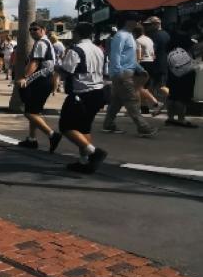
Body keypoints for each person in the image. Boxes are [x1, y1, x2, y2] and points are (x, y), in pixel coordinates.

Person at [55, 23, 108, 174]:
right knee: (84, 127)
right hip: (98, 91)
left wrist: (56, 67)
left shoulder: (76, 50)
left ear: (77, 33)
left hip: (81, 92)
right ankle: (84, 162)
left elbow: (67, 71)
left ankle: (93, 152)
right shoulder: (99, 50)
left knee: (66, 126)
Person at [102, 13, 157, 137]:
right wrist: (118, 73)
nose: (139, 23)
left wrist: (139, 68)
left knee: (116, 101)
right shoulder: (121, 36)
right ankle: (144, 127)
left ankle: (108, 124)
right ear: (128, 21)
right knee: (131, 100)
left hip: (125, 72)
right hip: (123, 73)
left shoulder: (129, 36)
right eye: (136, 20)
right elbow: (115, 55)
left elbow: (129, 57)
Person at [16, 21, 63, 151]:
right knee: (34, 111)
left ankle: (52, 135)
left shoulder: (41, 43)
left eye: (35, 29)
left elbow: (35, 62)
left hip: (40, 81)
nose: (32, 32)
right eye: (30, 30)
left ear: (43, 30)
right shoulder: (45, 42)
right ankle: (32, 139)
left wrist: (24, 77)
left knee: (29, 113)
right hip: (44, 80)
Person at [164, 21, 198, 128]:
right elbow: (194, 53)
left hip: (173, 69)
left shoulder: (172, 38)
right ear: (191, 30)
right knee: (182, 96)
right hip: (185, 71)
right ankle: (181, 119)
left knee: (173, 95)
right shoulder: (187, 40)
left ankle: (170, 118)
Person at [144, 16, 171, 113]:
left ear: (156, 24)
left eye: (149, 25)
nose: (147, 27)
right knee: (159, 86)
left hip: (155, 64)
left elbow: (152, 50)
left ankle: (171, 100)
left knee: (155, 86)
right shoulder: (166, 34)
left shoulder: (155, 36)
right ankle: (155, 105)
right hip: (164, 63)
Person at [133, 24, 159, 114]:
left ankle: (155, 102)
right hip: (151, 63)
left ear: (135, 32)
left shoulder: (138, 41)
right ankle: (144, 107)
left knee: (138, 87)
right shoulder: (149, 40)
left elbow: (138, 56)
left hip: (142, 64)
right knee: (145, 87)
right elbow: (153, 54)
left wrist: (135, 66)